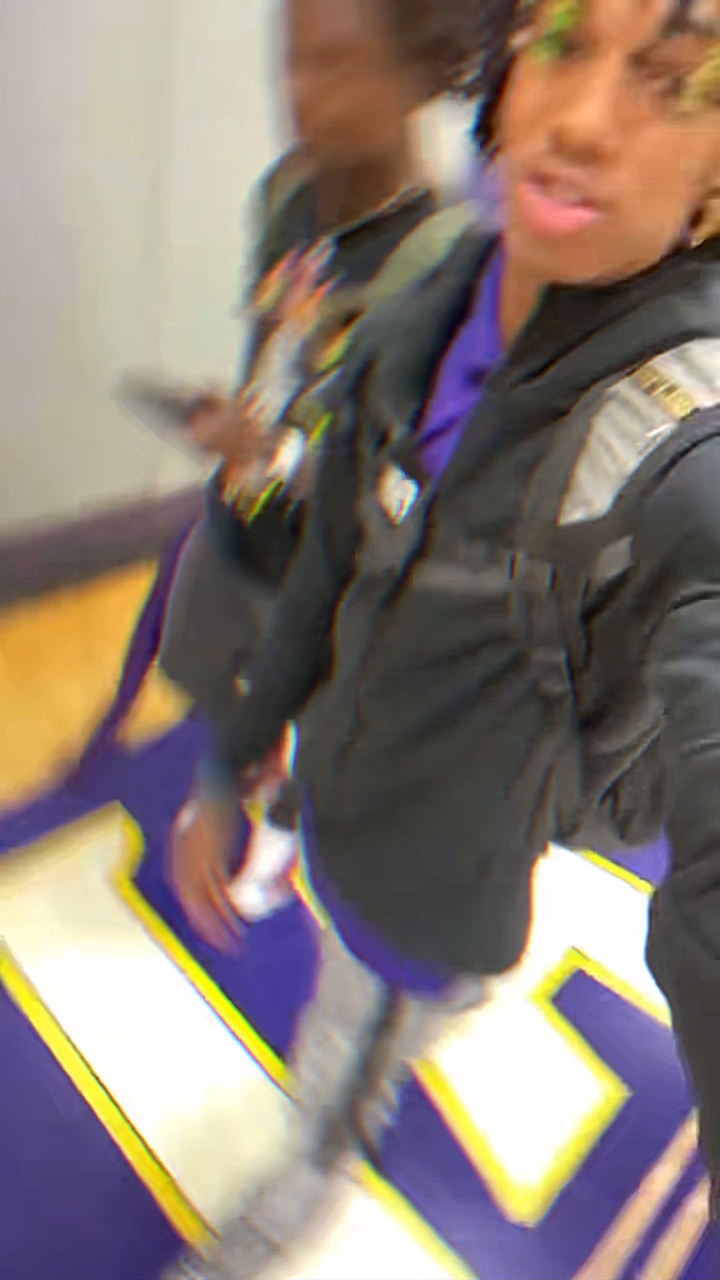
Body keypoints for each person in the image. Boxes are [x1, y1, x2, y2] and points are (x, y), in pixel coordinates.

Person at [166, 0, 720, 1277]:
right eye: (563, 40)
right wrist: (230, 756)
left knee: (342, 1053)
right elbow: (327, 564)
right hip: (344, 781)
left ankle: (306, 1180)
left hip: (421, 889)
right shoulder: (425, 305)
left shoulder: (678, 444)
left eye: (675, 82)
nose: (582, 122)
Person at [157, 0, 484, 778]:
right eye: (294, 61)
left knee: (289, 777)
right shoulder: (286, 193)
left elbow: (407, 496)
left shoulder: (447, 268)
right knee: (200, 713)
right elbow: (269, 347)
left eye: (338, 65)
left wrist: (278, 456)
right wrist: (242, 431)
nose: (304, 93)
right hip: (238, 535)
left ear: (420, 76)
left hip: (333, 597)